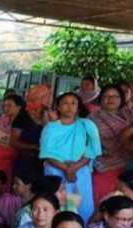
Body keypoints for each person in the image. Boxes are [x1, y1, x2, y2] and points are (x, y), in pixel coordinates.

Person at [39, 92, 100, 221]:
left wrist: (75, 167)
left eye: (73, 103)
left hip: (80, 171)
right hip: (55, 172)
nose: (69, 106)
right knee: (57, 205)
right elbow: (46, 153)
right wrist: (66, 169)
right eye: (65, 103)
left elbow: (92, 150)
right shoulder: (51, 127)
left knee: (82, 206)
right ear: (58, 107)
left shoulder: (86, 125)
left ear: (78, 108)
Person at [89, 84, 133, 205]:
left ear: (121, 99)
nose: (111, 99)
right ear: (100, 99)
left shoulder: (129, 115)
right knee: (103, 202)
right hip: (104, 165)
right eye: (106, 96)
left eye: (115, 96)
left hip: (128, 165)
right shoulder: (92, 118)